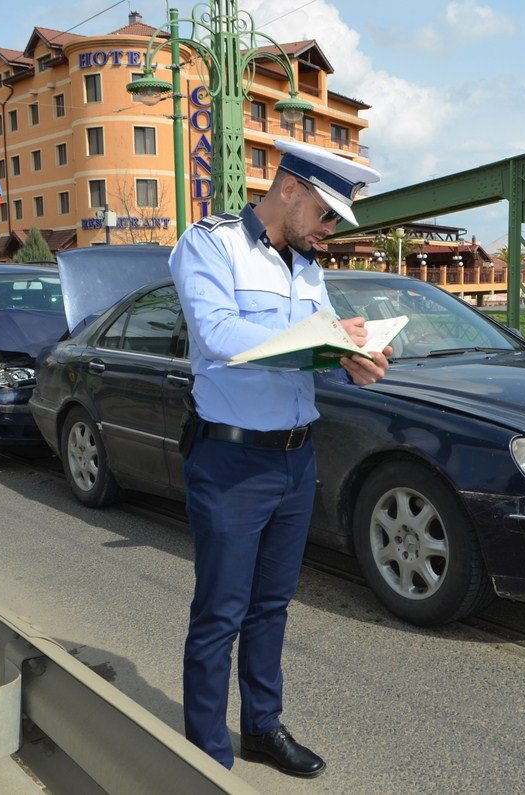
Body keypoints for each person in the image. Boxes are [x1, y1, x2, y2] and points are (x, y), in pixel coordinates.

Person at [171, 139, 388, 777]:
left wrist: (354, 359)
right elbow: (216, 333)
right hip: (231, 461)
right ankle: (207, 758)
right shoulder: (211, 244)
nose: (329, 230)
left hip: (295, 460)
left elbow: (314, 352)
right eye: (325, 213)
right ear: (289, 188)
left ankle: (262, 728)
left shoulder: (307, 266)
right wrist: (325, 338)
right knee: (220, 613)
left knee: (271, 606)